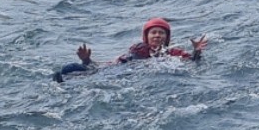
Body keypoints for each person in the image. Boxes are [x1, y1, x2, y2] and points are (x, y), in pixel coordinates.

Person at [53, 17, 208, 82]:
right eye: (153, 32)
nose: (157, 36)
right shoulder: (138, 49)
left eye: (161, 33)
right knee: (71, 68)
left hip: (140, 78)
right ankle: (65, 82)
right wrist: (87, 60)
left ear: (166, 38)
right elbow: (115, 63)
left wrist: (197, 52)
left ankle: (70, 84)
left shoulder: (173, 52)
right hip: (125, 71)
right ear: (146, 37)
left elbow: (191, 63)